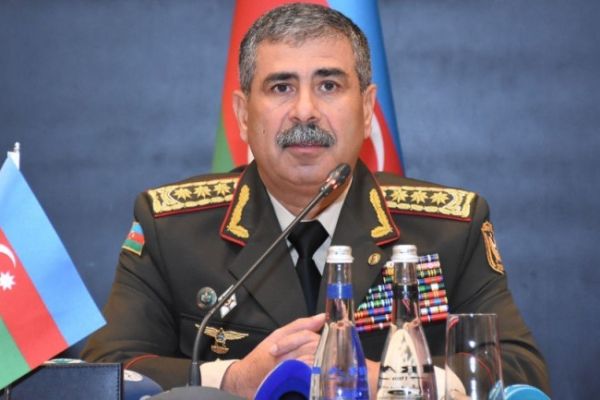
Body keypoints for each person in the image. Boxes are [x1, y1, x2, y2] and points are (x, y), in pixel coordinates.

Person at [82, 3, 550, 398]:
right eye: (281, 87)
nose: (305, 111)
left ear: (366, 108)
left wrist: (395, 379)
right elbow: (108, 371)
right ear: (242, 114)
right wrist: (232, 379)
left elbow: (519, 371)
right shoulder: (172, 228)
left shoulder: (449, 229)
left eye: (329, 86)